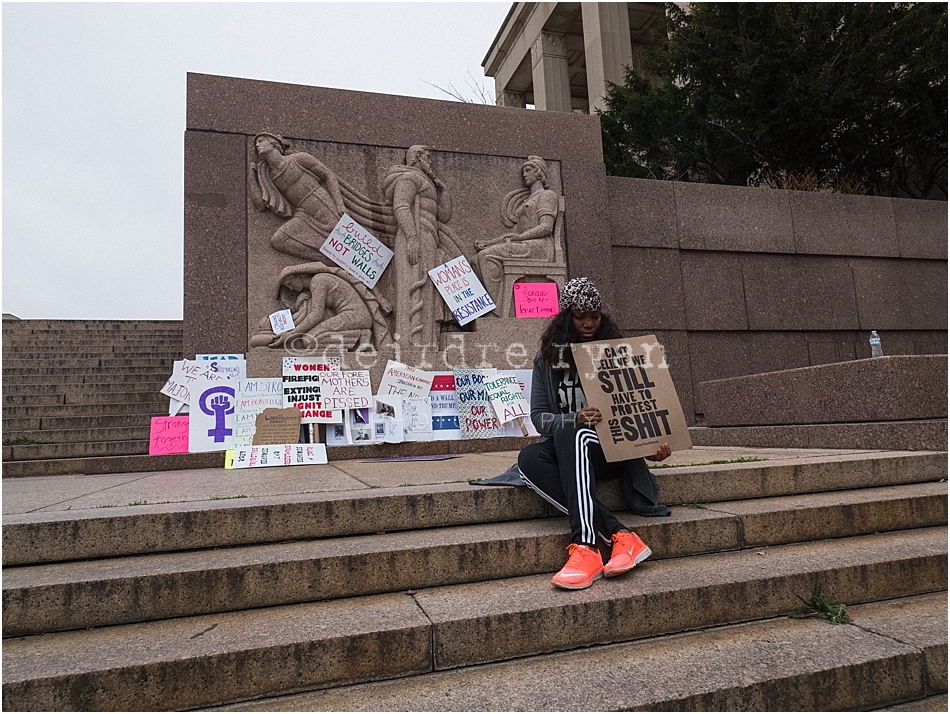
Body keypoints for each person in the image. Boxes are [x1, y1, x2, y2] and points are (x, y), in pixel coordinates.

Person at [518, 277, 671, 590]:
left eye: (595, 316)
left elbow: (636, 411)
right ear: (566, 318)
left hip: (607, 453)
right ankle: (620, 536)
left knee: (575, 435)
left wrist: (650, 445)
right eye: (580, 316)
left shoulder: (618, 356)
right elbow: (539, 418)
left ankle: (586, 547)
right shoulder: (546, 361)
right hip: (569, 450)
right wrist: (573, 418)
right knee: (529, 458)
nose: (588, 323)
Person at [382, 145, 453, 350]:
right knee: (412, 289)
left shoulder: (427, 183)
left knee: (428, 291)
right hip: (414, 236)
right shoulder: (409, 177)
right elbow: (401, 206)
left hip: (429, 238)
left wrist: (444, 190)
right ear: (416, 158)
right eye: (427, 157)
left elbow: (443, 216)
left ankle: (427, 342)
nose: (430, 161)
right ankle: (409, 343)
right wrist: (412, 237)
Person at [475, 156, 559, 307]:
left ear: (539, 172)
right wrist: (490, 243)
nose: (524, 175)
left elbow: (546, 227)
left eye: (528, 170)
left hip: (540, 247)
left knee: (485, 256)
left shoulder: (547, 195)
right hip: (525, 243)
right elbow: (514, 235)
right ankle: (486, 308)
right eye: (523, 172)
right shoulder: (527, 200)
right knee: (475, 259)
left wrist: (520, 238)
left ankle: (497, 308)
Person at [250, 133, 346, 261]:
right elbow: (260, 206)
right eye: (257, 143)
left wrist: (339, 204)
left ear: (273, 143)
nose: (257, 145)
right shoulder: (268, 175)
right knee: (278, 240)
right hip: (303, 213)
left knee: (344, 240)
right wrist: (251, 174)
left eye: (261, 141)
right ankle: (327, 261)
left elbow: (328, 175)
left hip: (320, 203)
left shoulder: (299, 158)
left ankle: (345, 265)